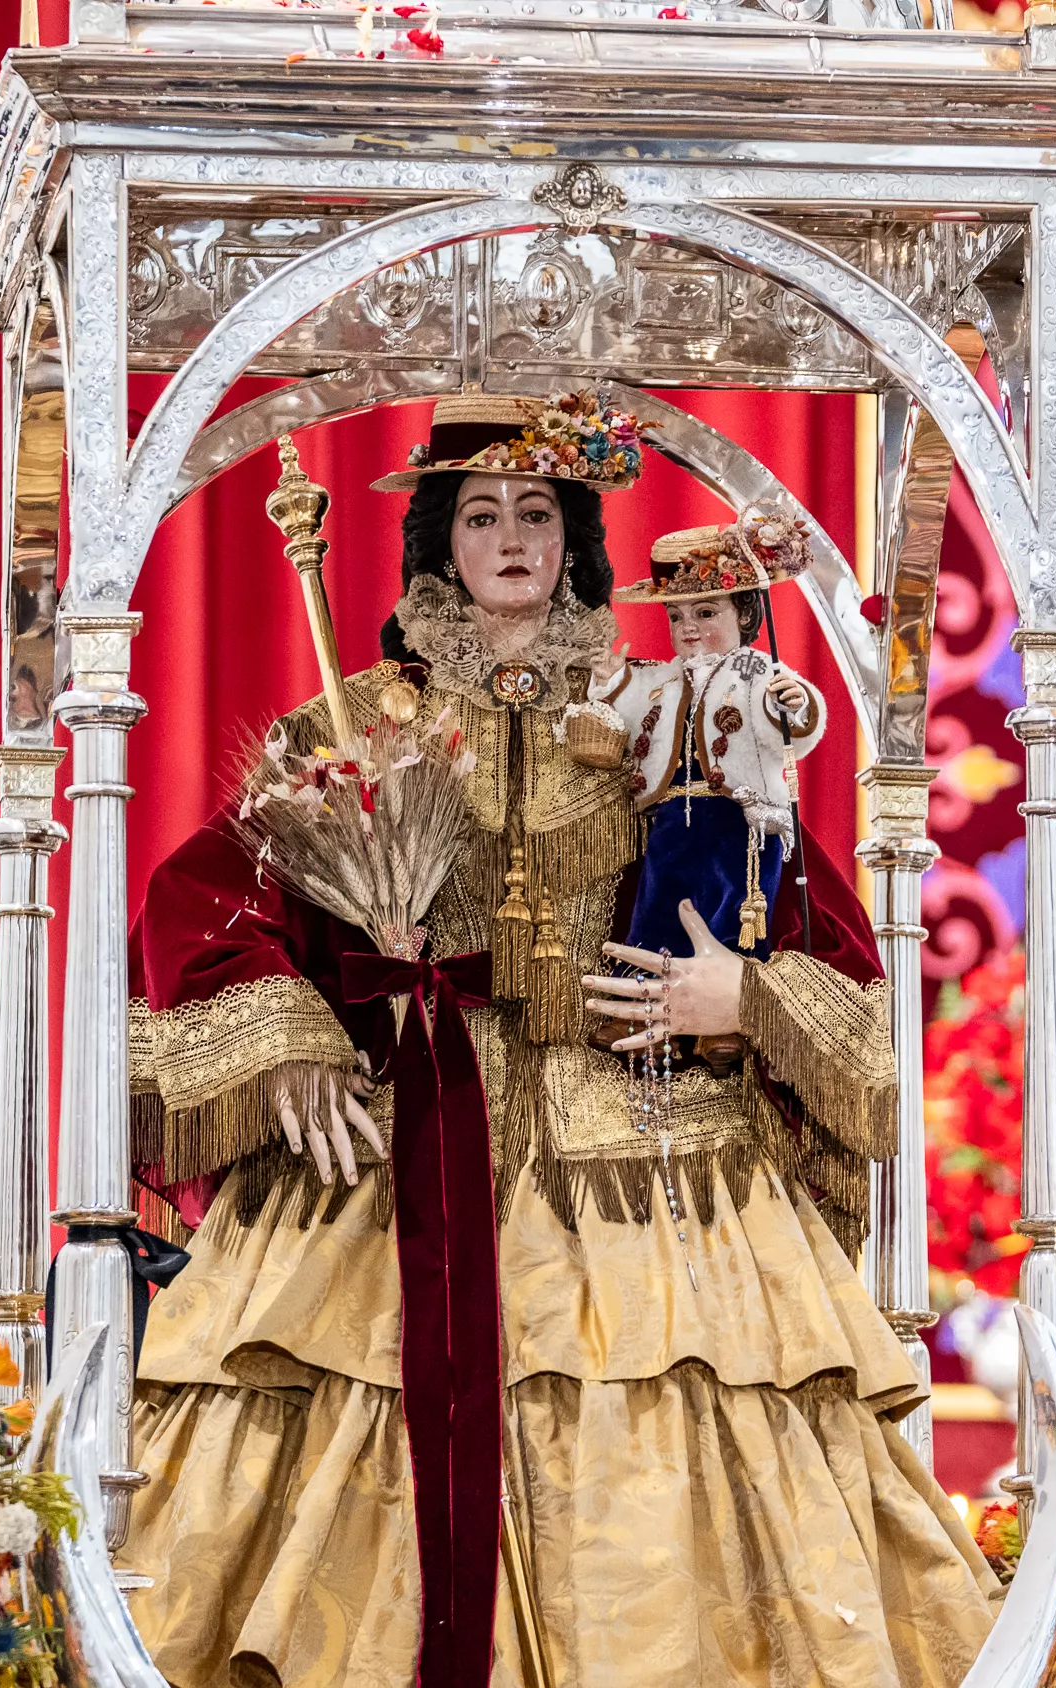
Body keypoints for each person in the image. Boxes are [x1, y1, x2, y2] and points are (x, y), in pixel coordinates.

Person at [115, 391, 995, 1688]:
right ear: (439, 541)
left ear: (577, 538)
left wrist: (741, 1000)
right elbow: (212, 909)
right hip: (405, 1132)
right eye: (482, 513)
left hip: (647, 1147)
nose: (512, 537)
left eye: (539, 511)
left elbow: (814, 927)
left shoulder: (681, 716)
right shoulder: (356, 730)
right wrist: (296, 1039)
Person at [594, 512, 828, 1039]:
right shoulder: (662, 678)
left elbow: (792, 722)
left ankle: (727, 1016)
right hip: (674, 814)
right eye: (676, 617)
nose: (689, 628)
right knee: (657, 908)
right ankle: (640, 996)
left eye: (705, 611)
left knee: (732, 912)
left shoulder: (757, 672)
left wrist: (795, 704)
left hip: (741, 821)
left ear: (746, 613)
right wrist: (607, 682)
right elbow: (625, 707)